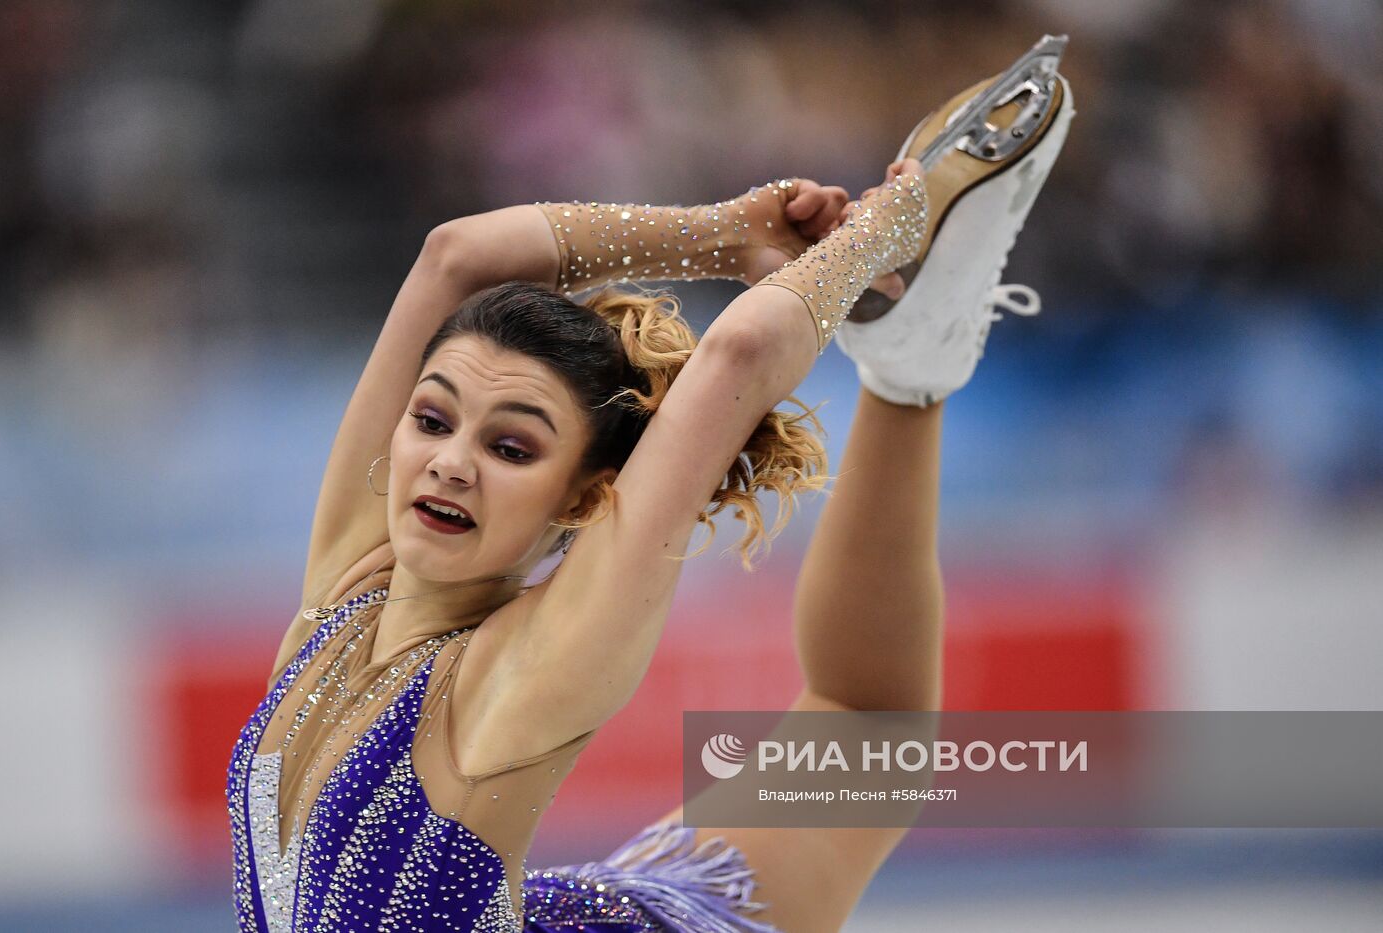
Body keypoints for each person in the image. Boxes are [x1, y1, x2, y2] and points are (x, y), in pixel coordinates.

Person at [226, 41, 1074, 933]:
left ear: (585, 499)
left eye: (511, 448)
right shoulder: (348, 584)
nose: (448, 461)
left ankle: (911, 367)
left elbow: (737, 356)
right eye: (432, 420)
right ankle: (915, 359)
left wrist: (884, 234)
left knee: (866, 730)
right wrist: (728, 231)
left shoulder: (517, 672)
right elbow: (455, 258)